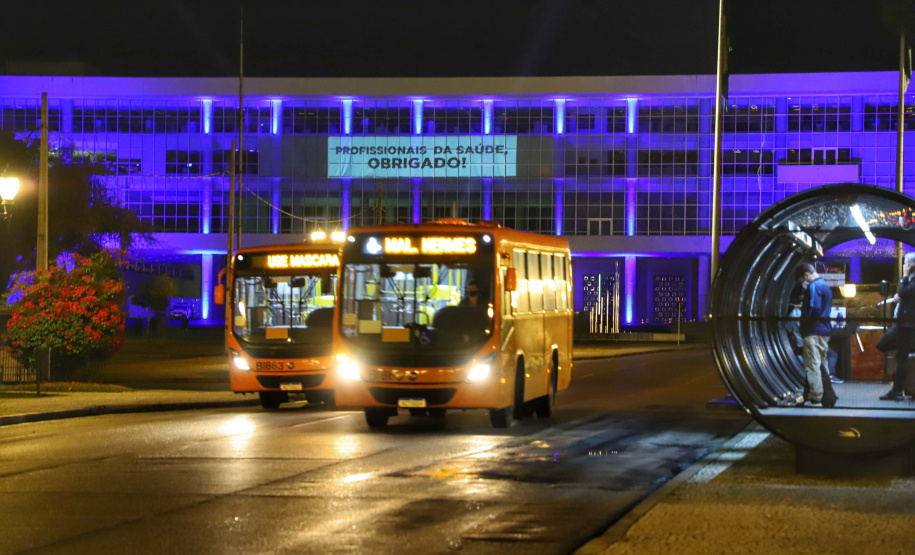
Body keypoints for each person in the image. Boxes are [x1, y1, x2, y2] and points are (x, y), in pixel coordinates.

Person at [880, 252, 915, 401]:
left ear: (911, 265)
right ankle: (910, 347)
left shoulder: (911, 280)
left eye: (905, 263)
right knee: (883, 345)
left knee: (900, 356)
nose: (903, 266)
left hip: (907, 325)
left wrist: (904, 275)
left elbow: (903, 292)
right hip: (901, 324)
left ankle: (897, 390)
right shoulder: (911, 280)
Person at [798, 263, 834, 406]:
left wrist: (805, 317)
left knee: (812, 365)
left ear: (806, 275)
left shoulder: (814, 286)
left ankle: (815, 397)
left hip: (813, 330)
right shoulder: (825, 285)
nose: (802, 282)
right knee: (822, 365)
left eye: (802, 279)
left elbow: (814, 307)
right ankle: (826, 394)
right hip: (825, 330)